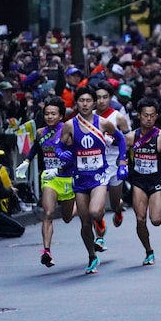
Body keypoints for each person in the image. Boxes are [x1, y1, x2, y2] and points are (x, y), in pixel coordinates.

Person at [57, 86, 127, 274]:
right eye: (81, 101)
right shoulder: (70, 125)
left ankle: (103, 219)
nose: (85, 104)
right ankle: (91, 256)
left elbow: (121, 140)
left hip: (99, 176)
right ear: (76, 103)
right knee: (85, 221)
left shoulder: (103, 123)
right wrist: (61, 154)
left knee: (95, 212)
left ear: (93, 103)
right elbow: (60, 145)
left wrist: (122, 162)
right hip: (80, 177)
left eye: (89, 101)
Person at [15, 98, 75, 266]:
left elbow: (75, 157)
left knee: (67, 217)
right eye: (47, 113)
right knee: (48, 213)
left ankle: (84, 208)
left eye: (53, 114)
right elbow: (36, 147)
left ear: (61, 116)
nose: (49, 117)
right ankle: (46, 251)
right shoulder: (41, 132)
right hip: (49, 179)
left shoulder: (67, 132)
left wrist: (59, 169)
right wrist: (26, 162)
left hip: (66, 179)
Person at [126, 98, 161, 265]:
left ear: (156, 116)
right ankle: (148, 251)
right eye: (145, 116)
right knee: (140, 219)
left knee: (156, 220)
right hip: (138, 181)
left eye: (151, 116)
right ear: (138, 116)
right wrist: (124, 165)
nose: (148, 119)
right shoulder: (130, 137)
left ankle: (158, 209)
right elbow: (121, 153)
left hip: (156, 181)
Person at [92, 80, 131, 252]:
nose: (101, 101)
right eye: (98, 97)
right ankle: (99, 238)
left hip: (115, 164)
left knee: (114, 202)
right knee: (96, 206)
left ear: (110, 98)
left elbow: (128, 140)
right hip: (95, 165)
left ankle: (118, 209)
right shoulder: (89, 116)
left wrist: (113, 141)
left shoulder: (118, 117)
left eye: (105, 97)